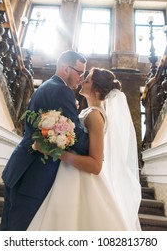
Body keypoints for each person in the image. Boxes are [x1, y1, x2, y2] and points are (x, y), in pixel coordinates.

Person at [27, 68, 141, 231]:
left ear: (97, 90)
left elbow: (96, 165)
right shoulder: (88, 111)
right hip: (70, 175)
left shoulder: (95, 115)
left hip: (80, 181)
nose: (81, 81)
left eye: (86, 80)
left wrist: (54, 151)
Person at [0, 50, 89, 231]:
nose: (81, 78)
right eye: (80, 72)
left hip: (21, 166)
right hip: (34, 174)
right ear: (66, 69)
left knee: (9, 228)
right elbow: (77, 137)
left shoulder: (47, 86)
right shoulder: (62, 90)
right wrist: (97, 140)